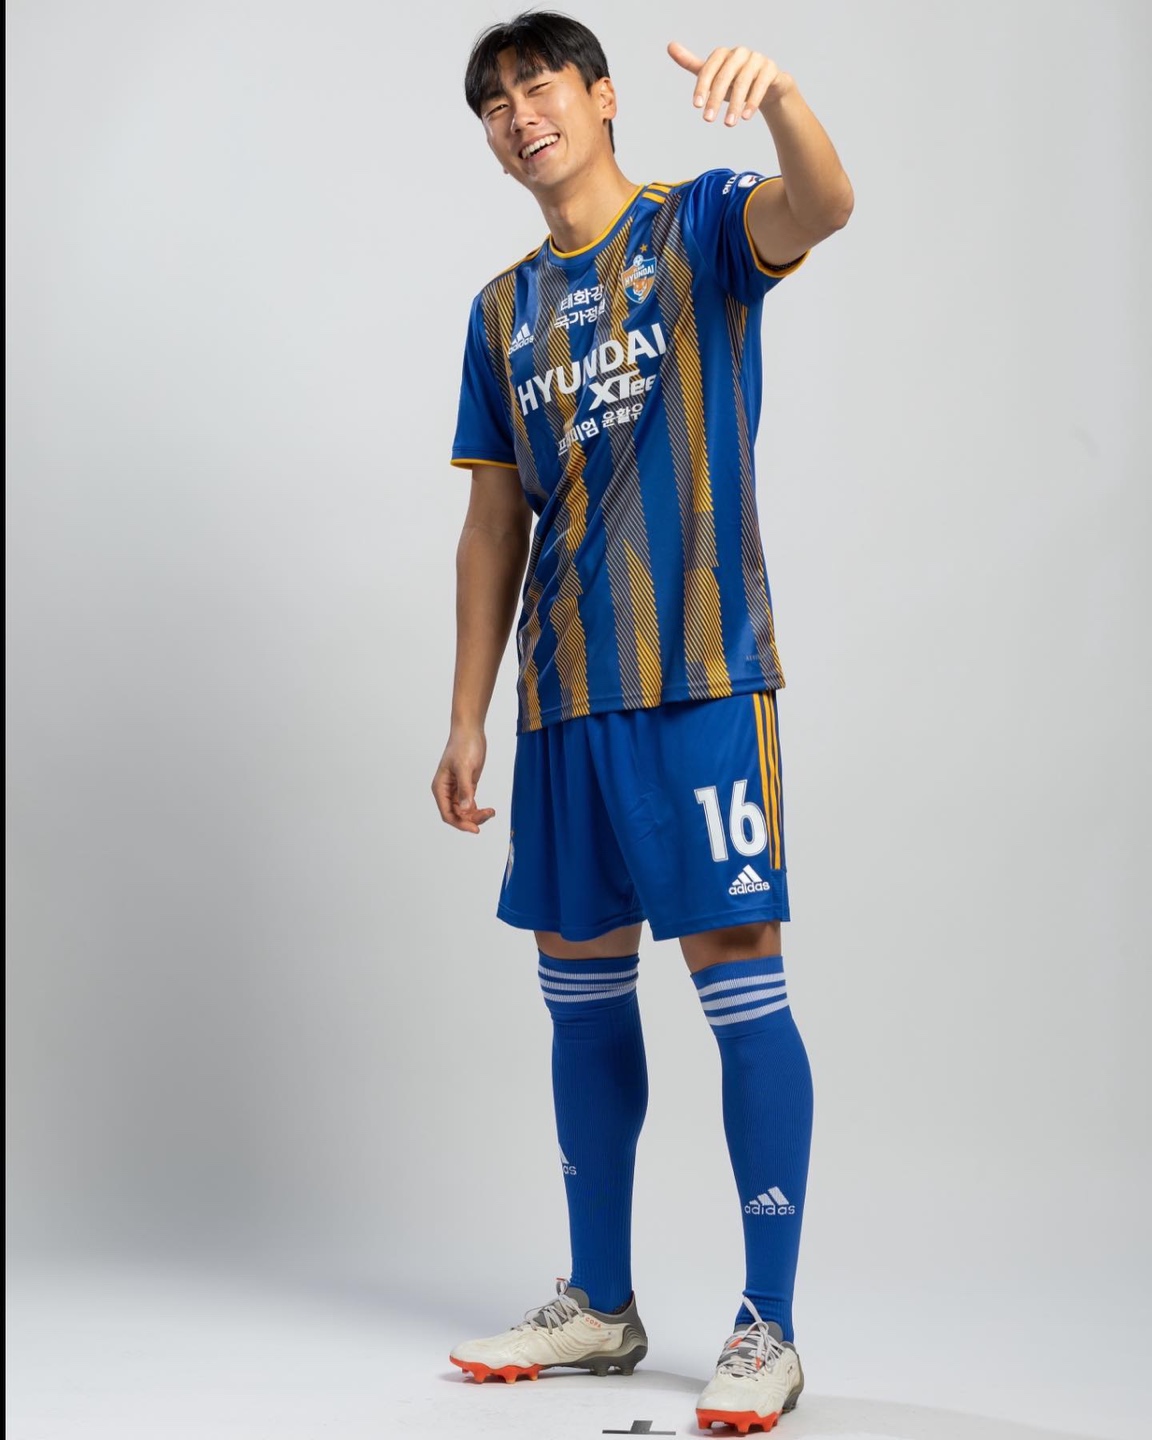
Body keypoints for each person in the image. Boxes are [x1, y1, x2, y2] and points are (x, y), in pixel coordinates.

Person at [431, 11, 853, 1433]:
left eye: (540, 83)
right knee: (580, 992)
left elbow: (825, 207)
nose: (519, 113)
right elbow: (492, 523)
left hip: (699, 679)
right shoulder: (500, 312)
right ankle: (600, 1304)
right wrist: (467, 717)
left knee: (740, 985)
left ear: (603, 97)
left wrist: (781, 96)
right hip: (562, 698)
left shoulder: (700, 227)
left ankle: (768, 1325)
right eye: (495, 101)